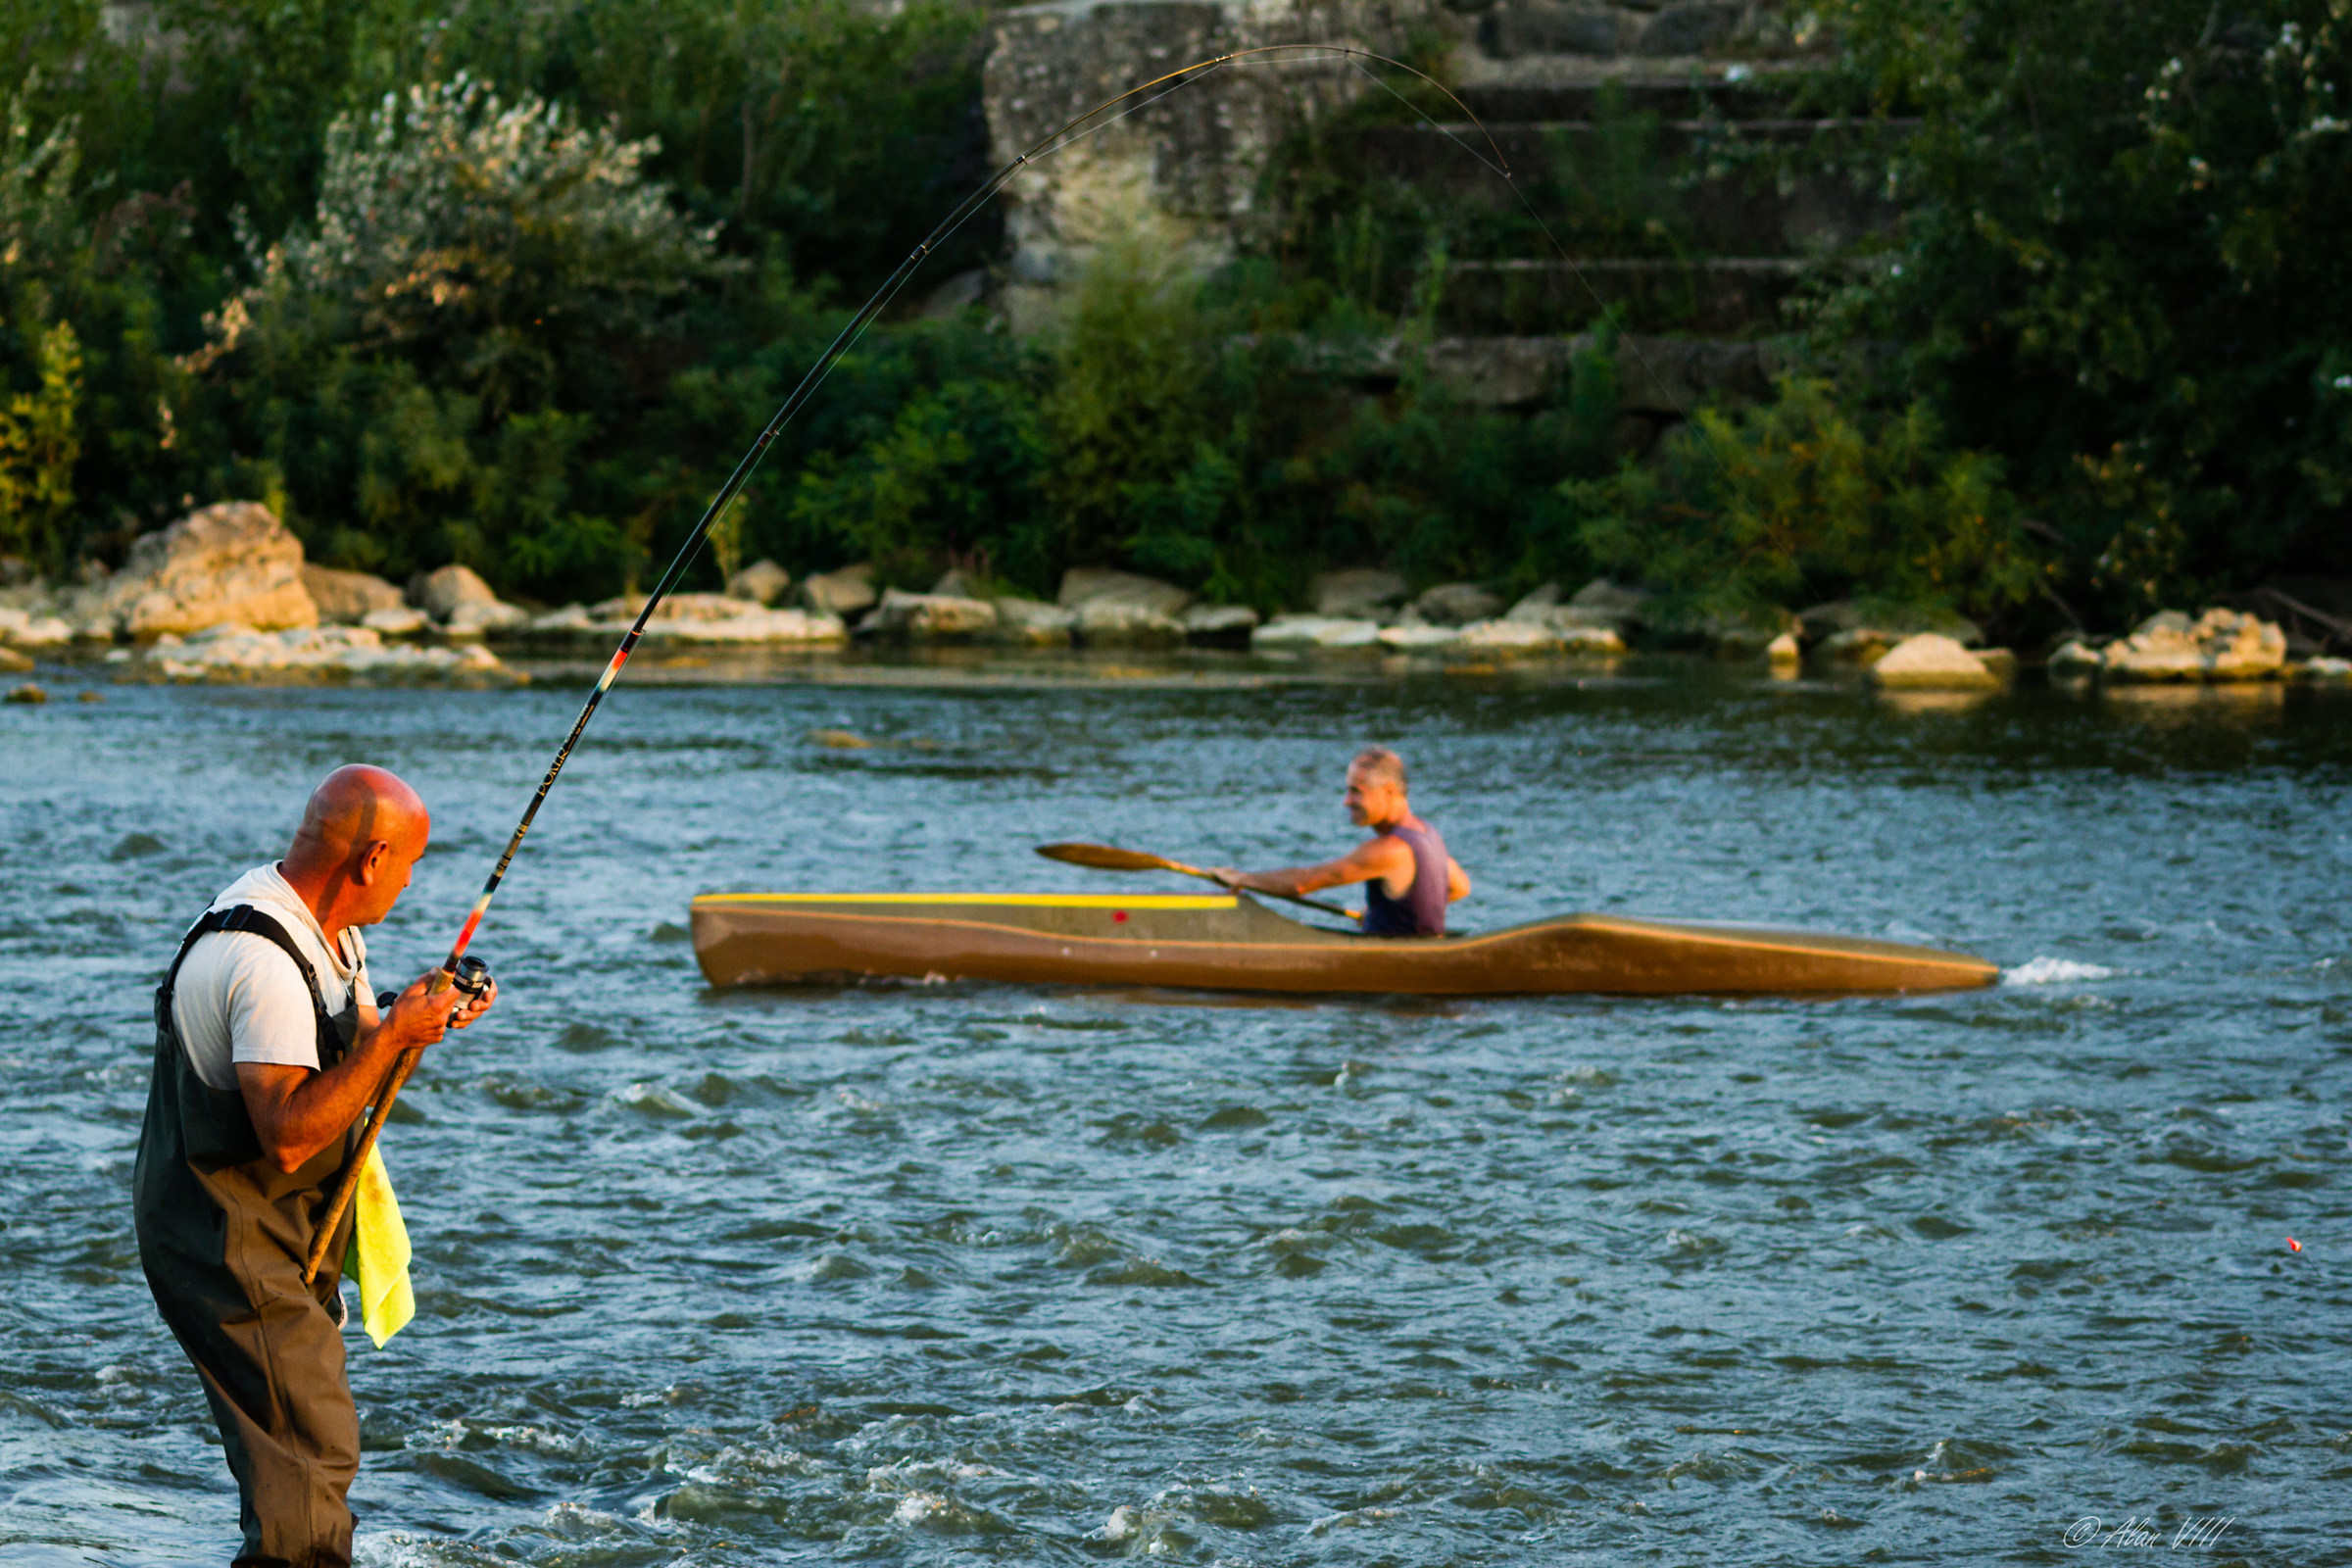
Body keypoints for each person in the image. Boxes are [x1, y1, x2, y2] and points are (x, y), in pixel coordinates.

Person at [131, 764, 496, 1567]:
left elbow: (360, 1061)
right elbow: (291, 1136)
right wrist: (396, 1036)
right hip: (222, 1234)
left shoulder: (331, 935)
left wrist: (420, 1016)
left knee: (305, 1445)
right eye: (411, 863)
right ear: (372, 859)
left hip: (280, 1226)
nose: (410, 880)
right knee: (308, 1451)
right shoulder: (260, 959)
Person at [1213, 747, 1469, 935]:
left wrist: (1243, 879)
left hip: (1393, 958)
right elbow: (1459, 887)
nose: (1346, 801)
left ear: (1388, 792)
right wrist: (1390, 911)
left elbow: (1303, 883)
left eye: (1356, 792)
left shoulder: (1389, 850)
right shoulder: (1428, 834)